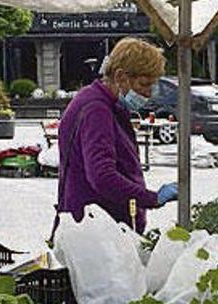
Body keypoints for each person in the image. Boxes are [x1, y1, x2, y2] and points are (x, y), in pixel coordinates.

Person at [53, 37, 177, 236]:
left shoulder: (100, 102)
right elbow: (102, 177)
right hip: (97, 234)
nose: (148, 93)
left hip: (102, 229)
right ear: (120, 77)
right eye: (144, 84)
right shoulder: (96, 109)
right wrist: (151, 198)